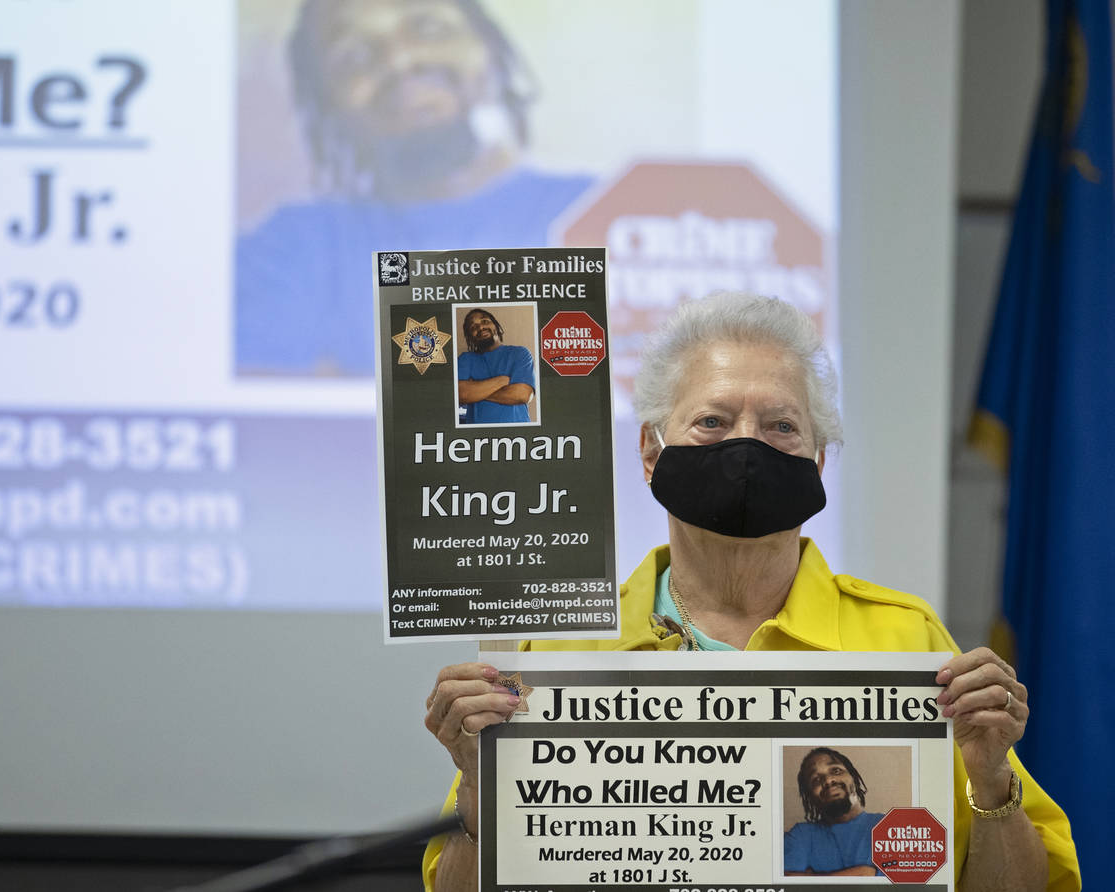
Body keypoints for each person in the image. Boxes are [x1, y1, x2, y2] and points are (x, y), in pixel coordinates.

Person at [421, 293, 1081, 892]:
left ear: (817, 462)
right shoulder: (556, 646)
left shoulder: (909, 642)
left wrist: (992, 778)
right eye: (711, 421)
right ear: (650, 453)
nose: (746, 447)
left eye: (781, 426)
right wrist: (481, 784)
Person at [235, 0, 592, 376]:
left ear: (486, 47)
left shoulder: (603, 212)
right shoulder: (289, 251)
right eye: (355, 56)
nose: (400, 61)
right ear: (330, 103)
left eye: (429, 29)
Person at [783, 747, 883, 877]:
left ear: (853, 777)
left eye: (836, 771)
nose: (828, 780)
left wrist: (813, 877)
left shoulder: (888, 825)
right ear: (810, 796)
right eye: (816, 779)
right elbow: (787, 883)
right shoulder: (800, 835)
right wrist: (864, 873)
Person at [456, 308, 535, 424]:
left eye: (484, 321)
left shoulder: (520, 353)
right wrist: (502, 381)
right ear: (470, 337)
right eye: (473, 327)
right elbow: (460, 394)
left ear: (496, 326)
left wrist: (475, 390)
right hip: (478, 436)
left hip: (517, 434)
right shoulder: (465, 359)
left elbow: (522, 395)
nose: (480, 327)